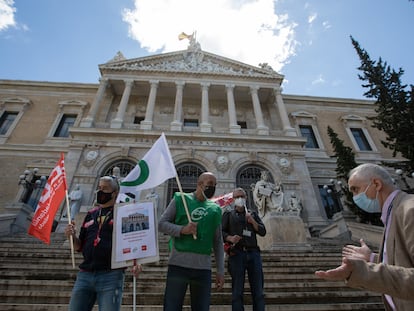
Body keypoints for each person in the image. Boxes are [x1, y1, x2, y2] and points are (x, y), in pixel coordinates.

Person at [315, 163, 414, 311]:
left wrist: (361, 271)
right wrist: (373, 259)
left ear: (376, 184)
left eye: (356, 189)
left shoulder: (409, 210)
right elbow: (404, 265)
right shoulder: (393, 214)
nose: (355, 197)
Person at [65, 176, 142, 311]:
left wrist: (137, 261)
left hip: (111, 274)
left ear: (115, 193)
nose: (100, 192)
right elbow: (79, 246)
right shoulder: (91, 214)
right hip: (85, 274)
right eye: (99, 188)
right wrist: (71, 237)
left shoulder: (124, 213)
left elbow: (134, 239)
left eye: (105, 189)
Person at [158, 172, 224, 311]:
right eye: (210, 184)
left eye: (215, 185)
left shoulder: (215, 209)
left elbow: (218, 241)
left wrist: (220, 270)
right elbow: (161, 224)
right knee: (172, 307)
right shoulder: (180, 199)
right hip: (178, 265)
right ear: (199, 184)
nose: (213, 188)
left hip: (203, 268)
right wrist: (183, 230)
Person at [222, 187, 266, 311]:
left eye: (241, 196)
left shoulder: (252, 213)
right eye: (236, 197)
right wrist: (230, 238)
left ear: (246, 198)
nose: (239, 199)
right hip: (237, 254)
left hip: (253, 253)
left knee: (258, 291)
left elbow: (263, 231)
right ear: (233, 199)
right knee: (237, 291)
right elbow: (221, 232)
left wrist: (253, 222)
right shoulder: (228, 214)